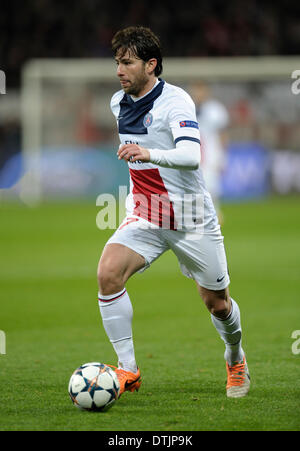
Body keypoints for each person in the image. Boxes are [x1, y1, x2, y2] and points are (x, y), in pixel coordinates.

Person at [97, 26, 250, 399]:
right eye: (117, 62)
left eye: (127, 62)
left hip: (191, 218)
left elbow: (190, 156)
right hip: (147, 214)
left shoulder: (176, 101)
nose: (120, 70)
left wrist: (148, 153)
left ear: (151, 65)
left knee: (217, 303)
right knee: (108, 274)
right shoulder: (118, 104)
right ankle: (128, 370)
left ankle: (235, 358)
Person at [190, 80, 230, 223]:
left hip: (212, 153)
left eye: (201, 90)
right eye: (196, 90)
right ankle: (199, 214)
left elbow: (223, 133)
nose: (198, 94)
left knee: (212, 185)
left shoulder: (215, 109)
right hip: (195, 154)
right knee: (195, 185)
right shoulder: (188, 108)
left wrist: (223, 154)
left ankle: (216, 212)